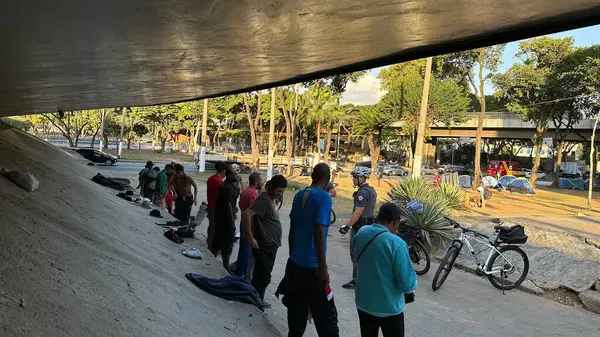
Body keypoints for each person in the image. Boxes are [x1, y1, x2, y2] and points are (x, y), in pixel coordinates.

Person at [285, 163, 339, 337]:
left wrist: (292, 255)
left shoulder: (299, 194)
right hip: (313, 267)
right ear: (328, 178)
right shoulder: (323, 198)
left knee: (296, 311)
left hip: (295, 263)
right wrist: (322, 268)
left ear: (312, 176)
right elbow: (318, 232)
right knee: (327, 317)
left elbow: (292, 230)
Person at [353, 202, 417, 337]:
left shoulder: (362, 232)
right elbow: (407, 284)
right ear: (396, 222)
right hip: (389, 307)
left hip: (364, 302)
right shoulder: (396, 243)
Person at [242, 175, 287, 304]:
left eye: (281, 192)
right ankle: (256, 302)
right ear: (271, 186)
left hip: (271, 245)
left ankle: (256, 299)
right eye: (278, 191)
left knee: (263, 275)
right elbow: (247, 214)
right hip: (265, 245)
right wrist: (250, 238)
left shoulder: (270, 199)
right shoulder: (264, 199)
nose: (279, 194)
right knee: (262, 277)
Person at [339, 166, 377, 289]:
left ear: (361, 178)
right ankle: (366, 277)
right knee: (365, 253)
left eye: (355, 177)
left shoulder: (362, 193)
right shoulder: (371, 190)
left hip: (360, 226)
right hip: (369, 224)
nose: (353, 180)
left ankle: (356, 280)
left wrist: (347, 226)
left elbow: (358, 212)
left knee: (355, 253)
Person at [210, 167, 241, 273]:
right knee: (226, 245)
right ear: (228, 175)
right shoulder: (227, 187)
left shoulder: (229, 186)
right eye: (234, 174)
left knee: (218, 242)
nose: (236, 176)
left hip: (222, 219)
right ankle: (225, 267)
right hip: (225, 220)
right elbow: (227, 205)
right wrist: (232, 222)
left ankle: (211, 261)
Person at [235, 172, 263, 280]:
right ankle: (242, 274)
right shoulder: (253, 194)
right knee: (247, 251)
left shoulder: (245, 191)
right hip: (249, 224)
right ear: (256, 181)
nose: (261, 182)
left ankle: (239, 271)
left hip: (243, 221)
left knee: (243, 249)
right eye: (260, 180)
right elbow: (254, 210)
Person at [207, 162, 227, 247]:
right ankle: (211, 246)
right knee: (214, 229)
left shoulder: (211, 178)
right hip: (216, 208)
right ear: (223, 171)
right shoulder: (219, 182)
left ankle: (210, 243)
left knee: (211, 226)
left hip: (211, 206)